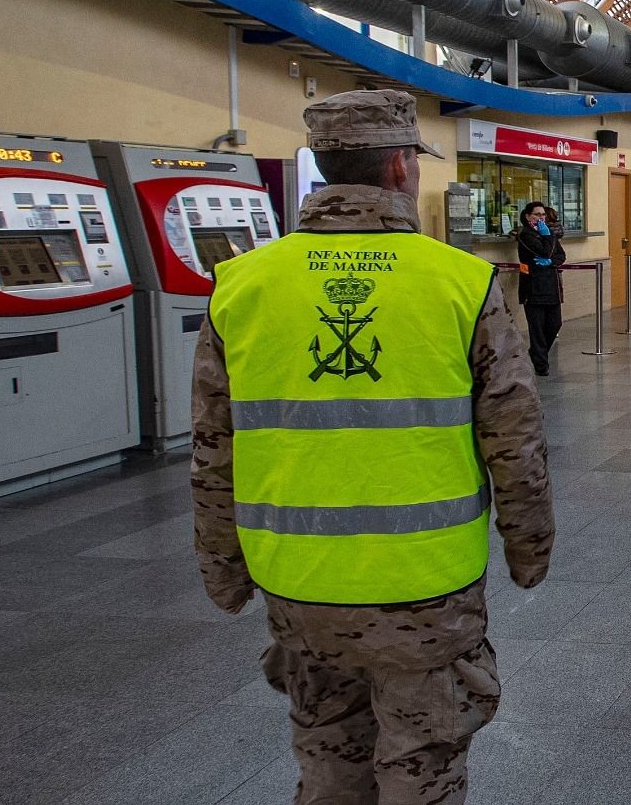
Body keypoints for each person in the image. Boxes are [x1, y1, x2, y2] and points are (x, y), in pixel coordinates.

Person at [190, 89, 555, 805]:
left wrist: (223, 571)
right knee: (423, 764)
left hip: (300, 584)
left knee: (327, 760)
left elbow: (212, 449)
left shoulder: (242, 286)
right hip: (426, 586)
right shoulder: (459, 282)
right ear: (398, 168)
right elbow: (515, 440)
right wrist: (528, 550)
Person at [514, 200, 565, 377]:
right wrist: (548, 240)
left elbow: (560, 255)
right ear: (528, 217)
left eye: (543, 214)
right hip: (533, 288)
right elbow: (544, 252)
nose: (541, 218)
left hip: (551, 286)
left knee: (554, 324)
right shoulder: (525, 235)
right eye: (537, 214)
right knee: (537, 328)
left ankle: (536, 354)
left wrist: (552, 262)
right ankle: (541, 364)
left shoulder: (548, 233)